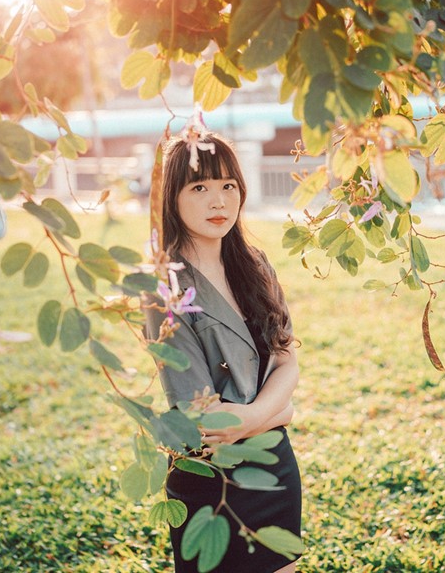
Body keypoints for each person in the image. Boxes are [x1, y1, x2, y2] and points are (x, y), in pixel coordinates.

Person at [144, 132, 301, 573]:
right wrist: (280, 411)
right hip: (211, 481)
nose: (219, 201)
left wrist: (254, 419)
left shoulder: (256, 264)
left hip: (273, 464)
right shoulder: (165, 289)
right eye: (200, 188)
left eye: (228, 185)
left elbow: (287, 359)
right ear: (171, 199)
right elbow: (205, 420)